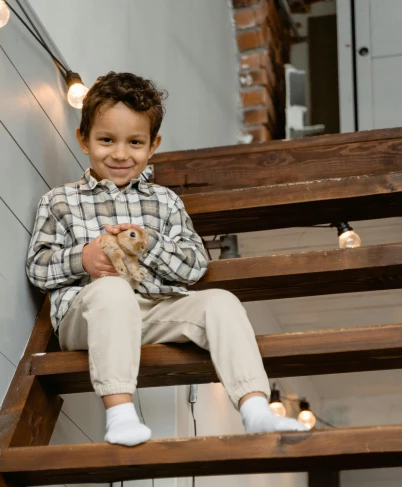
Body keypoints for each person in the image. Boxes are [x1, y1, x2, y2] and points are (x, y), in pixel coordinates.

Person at [27, 71, 306, 446]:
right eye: (107, 140)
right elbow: (38, 269)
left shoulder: (166, 202)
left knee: (221, 302)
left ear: (153, 145)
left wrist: (149, 243)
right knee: (111, 291)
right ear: (83, 139)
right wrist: (84, 258)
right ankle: (121, 413)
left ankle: (254, 408)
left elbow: (194, 265)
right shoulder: (60, 201)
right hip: (88, 317)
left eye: (135, 142)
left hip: (154, 310)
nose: (121, 153)